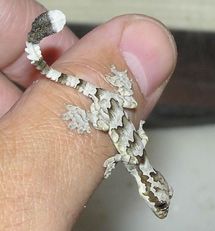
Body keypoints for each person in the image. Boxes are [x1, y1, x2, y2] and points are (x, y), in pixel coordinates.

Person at [0, 0, 177, 230]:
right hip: (104, 106)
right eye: (161, 204)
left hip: (113, 101)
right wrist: (109, 154)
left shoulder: (140, 155)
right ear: (146, 190)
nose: (161, 208)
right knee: (99, 124)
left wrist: (133, 130)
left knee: (124, 107)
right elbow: (118, 153)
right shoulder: (133, 160)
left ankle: (39, 49)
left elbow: (138, 139)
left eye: (163, 203)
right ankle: (38, 52)